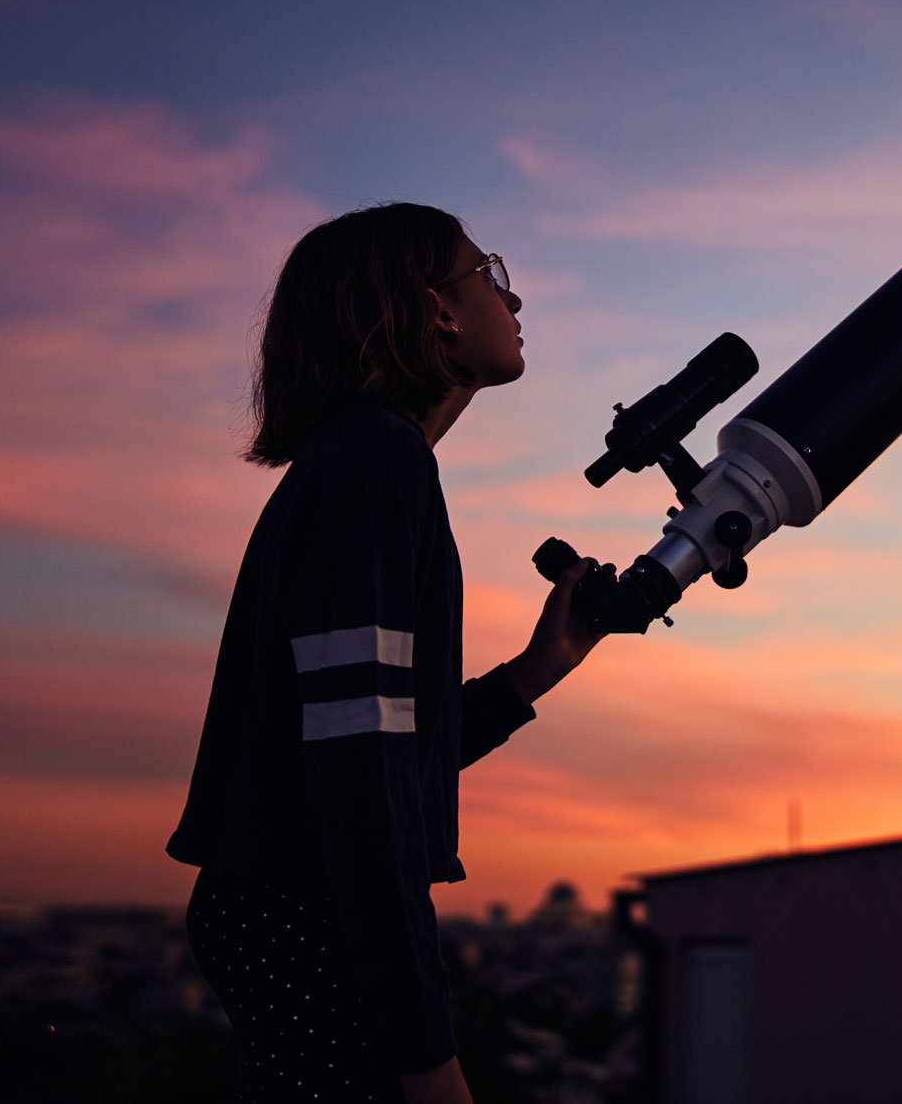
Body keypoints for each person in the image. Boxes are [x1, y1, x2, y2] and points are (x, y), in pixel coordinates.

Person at [167, 202, 604, 1104]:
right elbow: (362, 777)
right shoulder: (375, 465)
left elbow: (388, 744)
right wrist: (427, 1056)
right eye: (489, 272)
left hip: (294, 908)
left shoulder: (363, 462)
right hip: (309, 915)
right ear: (435, 306)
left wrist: (540, 666)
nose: (513, 300)